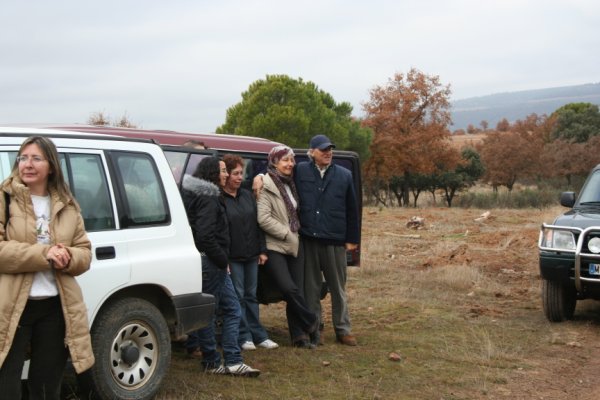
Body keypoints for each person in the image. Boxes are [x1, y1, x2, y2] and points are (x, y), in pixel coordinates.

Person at [0, 136, 94, 399]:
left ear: (51, 166)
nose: (27, 164)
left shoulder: (67, 205)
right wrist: (45, 254)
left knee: (46, 387)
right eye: (23, 158)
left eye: (36, 158)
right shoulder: (5, 198)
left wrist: (68, 256)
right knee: (6, 386)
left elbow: (85, 252)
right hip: (11, 306)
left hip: (55, 307)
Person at [181, 156, 260, 377]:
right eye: (223, 170)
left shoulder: (197, 193)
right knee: (216, 312)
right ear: (212, 173)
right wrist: (222, 260)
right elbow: (205, 235)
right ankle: (218, 361)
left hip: (211, 262)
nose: (226, 174)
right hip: (212, 263)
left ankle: (226, 360)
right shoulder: (209, 197)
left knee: (229, 309)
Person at [296, 134, 360, 347]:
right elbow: (278, 176)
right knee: (311, 289)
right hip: (309, 240)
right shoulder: (300, 171)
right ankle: (317, 329)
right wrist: (259, 178)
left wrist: (352, 239)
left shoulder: (345, 175)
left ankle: (343, 329)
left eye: (330, 149)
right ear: (311, 152)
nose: (328, 152)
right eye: (323, 149)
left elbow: (352, 209)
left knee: (338, 288)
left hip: (335, 240)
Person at [256, 145, 319, 349]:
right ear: (274, 162)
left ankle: (299, 336)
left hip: (294, 243)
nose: (290, 164)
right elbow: (263, 218)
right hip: (274, 244)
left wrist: (292, 236)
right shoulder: (265, 184)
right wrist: (286, 233)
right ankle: (310, 320)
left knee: (297, 289)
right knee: (287, 287)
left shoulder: (291, 183)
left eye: (292, 160)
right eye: (285, 160)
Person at [221, 154, 278, 351]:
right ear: (226, 175)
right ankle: (243, 336)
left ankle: (259, 335)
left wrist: (262, 250)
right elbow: (221, 232)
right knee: (238, 297)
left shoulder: (247, 195)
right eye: (235, 174)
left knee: (251, 296)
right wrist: (224, 259)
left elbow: (257, 224)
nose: (240, 177)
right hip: (233, 257)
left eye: (241, 173)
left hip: (252, 255)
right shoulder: (220, 199)